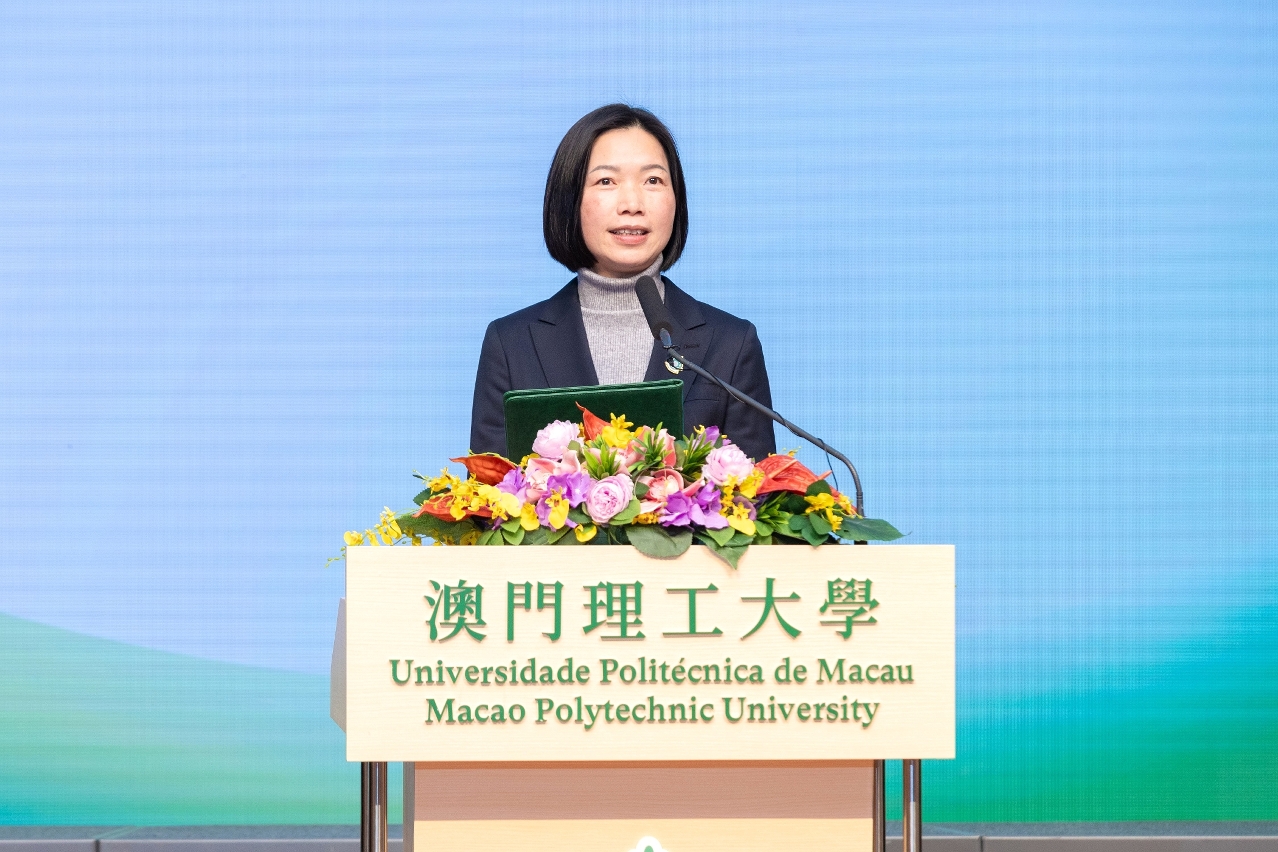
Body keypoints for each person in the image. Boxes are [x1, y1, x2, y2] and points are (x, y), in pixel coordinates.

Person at [469, 104, 778, 461]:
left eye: (653, 181)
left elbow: (757, 490)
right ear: (569, 200)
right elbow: (487, 490)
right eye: (606, 181)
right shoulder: (512, 344)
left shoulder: (730, 344)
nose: (632, 203)